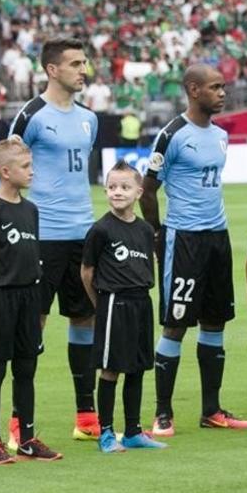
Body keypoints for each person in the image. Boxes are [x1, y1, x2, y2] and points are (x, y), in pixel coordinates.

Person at [141, 64, 247, 435]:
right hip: (183, 237)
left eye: (223, 87)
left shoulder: (220, 135)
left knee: (215, 321)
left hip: (217, 238)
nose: (222, 93)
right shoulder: (172, 134)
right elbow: (148, 189)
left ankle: (211, 410)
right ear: (193, 90)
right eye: (215, 87)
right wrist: (157, 234)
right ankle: (162, 413)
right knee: (175, 325)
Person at [7, 38, 102, 444]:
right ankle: (18, 422)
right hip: (42, 236)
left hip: (83, 233)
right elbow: (10, 167)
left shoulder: (89, 118)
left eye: (84, 63)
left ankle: (85, 416)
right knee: (35, 323)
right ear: (51, 69)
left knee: (85, 319)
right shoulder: (30, 115)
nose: (83, 70)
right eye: (75, 64)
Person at [0, 138, 61, 464]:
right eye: (25, 167)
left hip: (29, 296)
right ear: (5, 172)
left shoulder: (31, 209)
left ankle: (27, 439)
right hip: (0, 296)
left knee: (26, 368)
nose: (31, 171)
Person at [81, 161, 167, 452]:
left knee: (137, 368)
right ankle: (106, 433)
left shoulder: (145, 229)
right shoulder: (101, 229)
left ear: (139, 192)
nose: (117, 192)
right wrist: (101, 304)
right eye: (112, 187)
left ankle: (132, 431)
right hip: (113, 303)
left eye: (125, 187)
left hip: (141, 302)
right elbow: (87, 272)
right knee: (110, 369)